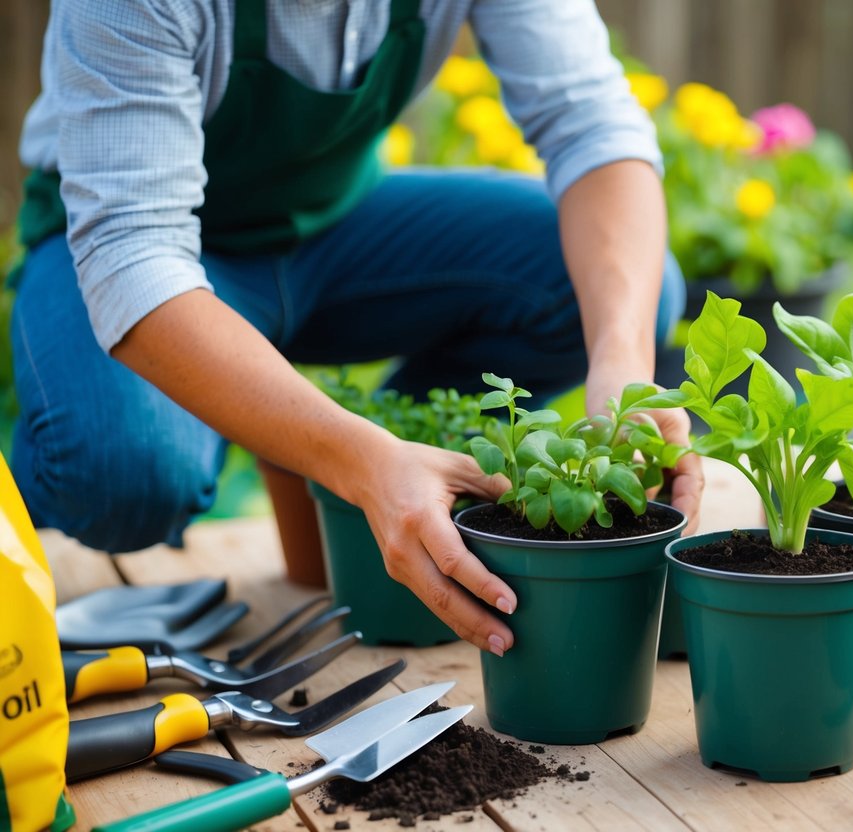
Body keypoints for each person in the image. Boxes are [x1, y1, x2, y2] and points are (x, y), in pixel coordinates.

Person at [12, 0, 704, 657]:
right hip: (125, 249)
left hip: (332, 226)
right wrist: (358, 459)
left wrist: (623, 367)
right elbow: (133, 255)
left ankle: (371, 465)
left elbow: (592, 125)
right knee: (126, 471)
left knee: (611, 293)